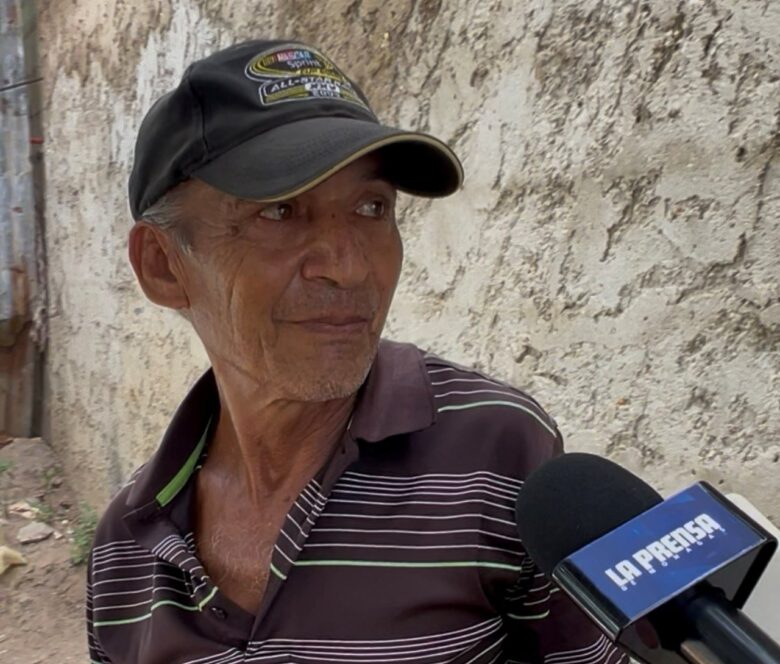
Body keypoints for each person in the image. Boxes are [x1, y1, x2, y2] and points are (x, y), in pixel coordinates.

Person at [86, 39, 627, 664]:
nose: (348, 267)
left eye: (372, 208)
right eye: (279, 212)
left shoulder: (501, 454)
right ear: (162, 266)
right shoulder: (123, 548)